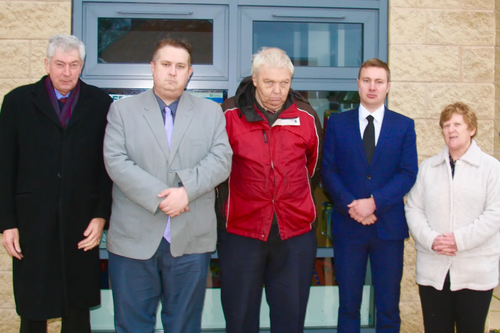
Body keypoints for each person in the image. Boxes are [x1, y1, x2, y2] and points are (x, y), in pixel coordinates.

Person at [103, 38, 232, 333]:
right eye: (166, 65)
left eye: (180, 66)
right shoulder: (122, 111)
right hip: (134, 240)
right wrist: (160, 199)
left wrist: (185, 192)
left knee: (184, 325)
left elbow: (222, 159)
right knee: (132, 325)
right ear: (152, 68)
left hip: (190, 239)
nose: (172, 72)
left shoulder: (211, 113)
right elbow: (116, 162)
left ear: (190, 73)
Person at [0, 34, 113, 333]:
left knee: (76, 311)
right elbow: (4, 166)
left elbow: (108, 166)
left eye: (74, 65)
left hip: (81, 222)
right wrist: (7, 222)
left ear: (82, 65)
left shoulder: (100, 103)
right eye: (60, 64)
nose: (67, 72)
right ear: (47, 63)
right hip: (31, 222)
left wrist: (101, 215)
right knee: (34, 307)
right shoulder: (17, 102)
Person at [217, 47, 322, 333]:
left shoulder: (307, 116)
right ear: (254, 79)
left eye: (284, 83)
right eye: (269, 82)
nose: (277, 91)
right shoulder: (228, 114)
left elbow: (313, 169)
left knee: (290, 320)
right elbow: (217, 170)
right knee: (240, 319)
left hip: (294, 233)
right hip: (242, 232)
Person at [321, 58, 418, 332]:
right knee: (348, 306)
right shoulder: (338, 124)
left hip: (388, 229)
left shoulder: (403, 126)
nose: (372, 87)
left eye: (378, 81)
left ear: (388, 87)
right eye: (366, 80)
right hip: (349, 227)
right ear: (358, 85)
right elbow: (328, 171)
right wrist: (352, 205)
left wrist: (374, 202)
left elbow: (408, 173)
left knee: (388, 307)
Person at [405, 102, 500, 333]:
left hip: (475, 273)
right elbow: (413, 208)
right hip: (433, 271)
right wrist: (431, 240)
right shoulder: (428, 168)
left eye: (457, 124)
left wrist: (458, 240)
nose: (451, 130)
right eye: (446, 125)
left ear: (472, 129)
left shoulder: (491, 168)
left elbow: (495, 214)